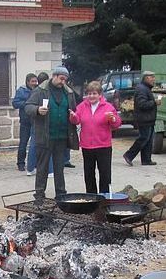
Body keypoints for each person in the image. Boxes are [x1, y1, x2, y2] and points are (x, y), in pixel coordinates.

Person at [25, 66, 78, 201]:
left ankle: (61, 194)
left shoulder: (69, 93)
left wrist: (73, 115)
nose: (63, 82)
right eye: (61, 79)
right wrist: (37, 110)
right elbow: (28, 106)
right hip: (45, 136)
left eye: (65, 80)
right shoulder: (40, 90)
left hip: (61, 137)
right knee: (42, 167)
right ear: (54, 76)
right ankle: (39, 195)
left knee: (59, 168)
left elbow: (75, 110)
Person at [69, 81, 121, 193]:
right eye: (89, 93)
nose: (91, 96)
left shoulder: (108, 107)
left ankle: (105, 197)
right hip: (87, 146)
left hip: (103, 146)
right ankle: (91, 197)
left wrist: (113, 119)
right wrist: (73, 117)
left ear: (100, 95)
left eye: (94, 93)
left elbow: (116, 124)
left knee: (105, 174)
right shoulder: (82, 106)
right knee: (89, 174)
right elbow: (76, 120)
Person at [123, 71, 160, 166]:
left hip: (148, 118)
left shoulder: (145, 88)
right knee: (144, 138)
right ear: (146, 78)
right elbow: (142, 104)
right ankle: (129, 155)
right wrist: (154, 102)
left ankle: (146, 160)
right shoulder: (142, 89)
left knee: (148, 139)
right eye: (152, 77)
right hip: (144, 119)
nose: (153, 79)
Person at [12, 73, 39, 172]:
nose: (35, 83)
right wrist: (27, 104)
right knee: (23, 143)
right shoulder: (21, 90)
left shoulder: (38, 90)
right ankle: (20, 163)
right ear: (27, 82)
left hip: (36, 120)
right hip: (25, 121)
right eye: (33, 81)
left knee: (35, 144)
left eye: (36, 81)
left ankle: (34, 163)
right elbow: (15, 103)